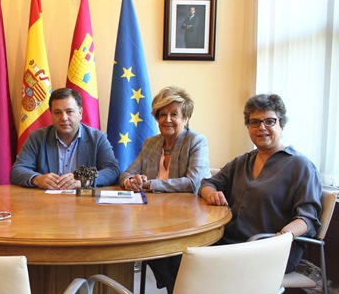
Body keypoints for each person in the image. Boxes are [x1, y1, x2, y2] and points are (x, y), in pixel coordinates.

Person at [200, 93, 322, 274]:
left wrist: (282, 237)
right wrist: (211, 193)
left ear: (281, 124)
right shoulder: (242, 161)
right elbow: (207, 183)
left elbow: (308, 218)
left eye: (269, 121)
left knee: (193, 262)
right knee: (176, 254)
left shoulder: (300, 165)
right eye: (254, 122)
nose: (261, 127)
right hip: (230, 243)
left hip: (270, 249)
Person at [10, 87, 120, 189]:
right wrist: (37, 179)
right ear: (51, 114)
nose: (64, 118)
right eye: (57, 112)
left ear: (80, 113)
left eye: (69, 112)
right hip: (46, 203)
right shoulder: (37, 138)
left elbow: (112, 170)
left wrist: (85, 180)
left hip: (85, 205)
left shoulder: (97, 138)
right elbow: (17, 170)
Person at [119, 86, 210, 194]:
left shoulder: (196, 141)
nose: (167, 120)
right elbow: (126, 174)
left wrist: (150, 184)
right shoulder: (150, 143)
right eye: (163, 115)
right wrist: (131, 181)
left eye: (174, 114)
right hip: (152, 206)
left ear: (186, 118)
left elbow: (193, 183)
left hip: (187, 207)